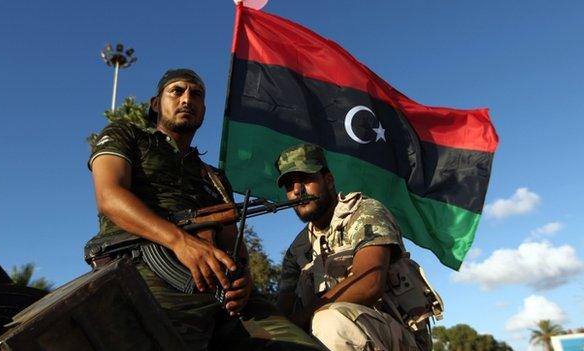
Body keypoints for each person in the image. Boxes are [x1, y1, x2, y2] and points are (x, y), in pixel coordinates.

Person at [88, 69, 323, 351]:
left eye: (196, 94)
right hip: (144, 272)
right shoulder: (128, 136)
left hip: (219, 291)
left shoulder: (213, 177)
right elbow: (109, 195)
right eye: (177, 91)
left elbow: (232, 243)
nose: (187, 99)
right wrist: (180, 241)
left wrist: (243, 281)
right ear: (155, 103)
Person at [275, 143, 431, 351]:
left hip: (396, 338)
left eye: (305, 179)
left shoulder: (364, 212)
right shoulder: (298, 249)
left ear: (328, 180)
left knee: (330, 323)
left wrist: (304, 317)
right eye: (289, 186)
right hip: (326, 339)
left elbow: (370, 281)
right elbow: (283, 310)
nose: (297, 190)